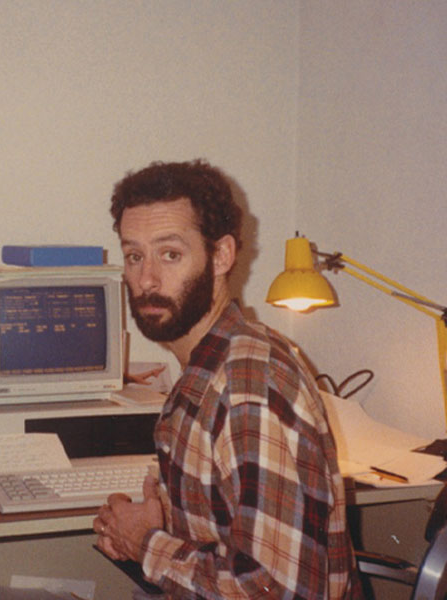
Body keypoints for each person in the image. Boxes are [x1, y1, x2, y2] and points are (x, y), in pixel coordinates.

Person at [93, 160, 361, 599]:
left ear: (221, 256)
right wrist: (155, 531)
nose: (146, 279)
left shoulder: (251, 385)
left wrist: (145, 544)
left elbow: (279, 591)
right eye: (134, 256)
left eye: (170, 254)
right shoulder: (204, 369)